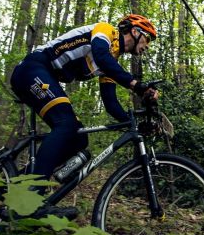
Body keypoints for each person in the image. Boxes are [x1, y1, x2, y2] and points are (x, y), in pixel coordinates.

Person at [10, 14, 159, 184]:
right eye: (147, 39)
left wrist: (135, 125)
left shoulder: (111, 62)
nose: (147, 46)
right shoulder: (106, 30)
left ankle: (15, 185)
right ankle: (32, 195)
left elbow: (110, 103)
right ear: (134, 31)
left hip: (43, 75)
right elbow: (101, 55)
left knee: (78, 138)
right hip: (33, 68)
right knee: (66, 124)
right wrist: (136, 85)